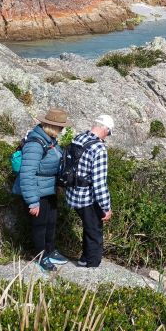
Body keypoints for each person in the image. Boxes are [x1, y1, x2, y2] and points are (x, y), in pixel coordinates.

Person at [11, 107, 68, 272]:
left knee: (51, 223)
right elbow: (26, 173)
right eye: (61, 127)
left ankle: (50, 251)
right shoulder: (36, 144)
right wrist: (32, 201)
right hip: (36, 191)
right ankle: (40, 256)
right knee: (40, 226)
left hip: (49, 190)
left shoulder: (50, 140)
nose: (63, 130)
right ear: (53, 126)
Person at [65, 114, 114, 268]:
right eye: (109, 132)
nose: (108, 136)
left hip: (72, 194)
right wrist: (106, 207)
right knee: (94, 231)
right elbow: (99, 183)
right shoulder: (98, 148)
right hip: (86, 197)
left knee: (88, 226)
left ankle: (84, 258)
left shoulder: (78, 138)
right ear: (105, 129)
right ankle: (92, 265)